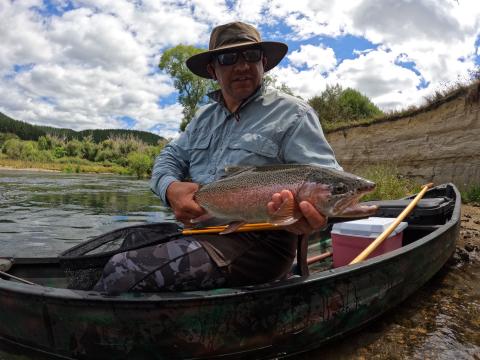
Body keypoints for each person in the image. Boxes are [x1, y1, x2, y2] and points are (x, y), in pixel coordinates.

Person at [94, 21, 341, 294]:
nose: (242, 65)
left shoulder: (294, 114)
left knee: (125, 269)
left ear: (264, 62)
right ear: (213, 70)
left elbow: (326, 180)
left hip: (261, 242)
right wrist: (170, 188)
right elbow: (170, 157)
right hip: (202, 232)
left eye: (251, 55)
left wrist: (313, 216)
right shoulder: (203, 118)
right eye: (228, 58)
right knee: (132, 241)